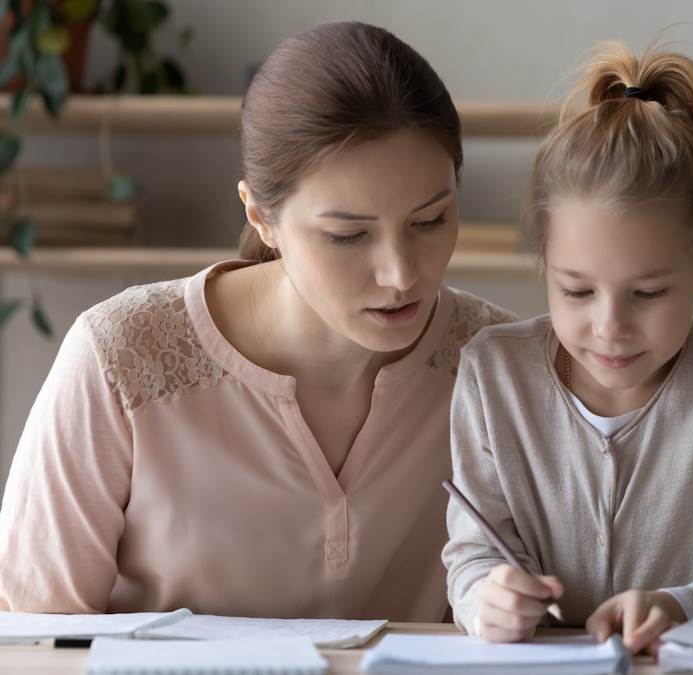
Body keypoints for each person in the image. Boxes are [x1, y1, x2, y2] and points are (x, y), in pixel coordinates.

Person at [0, 21, 513, 620]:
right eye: (348, 236)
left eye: (430, 221)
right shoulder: (119, 357)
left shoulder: (495, 361)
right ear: (261, 217)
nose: (401, 274)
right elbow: (31, 640)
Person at [443, 41, 693, 654]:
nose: (610, 326)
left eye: (647, 292)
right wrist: (486, 599)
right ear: (546, 267)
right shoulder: (492, 372)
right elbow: (470, 554)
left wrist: (680, 605)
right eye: (577, 290)